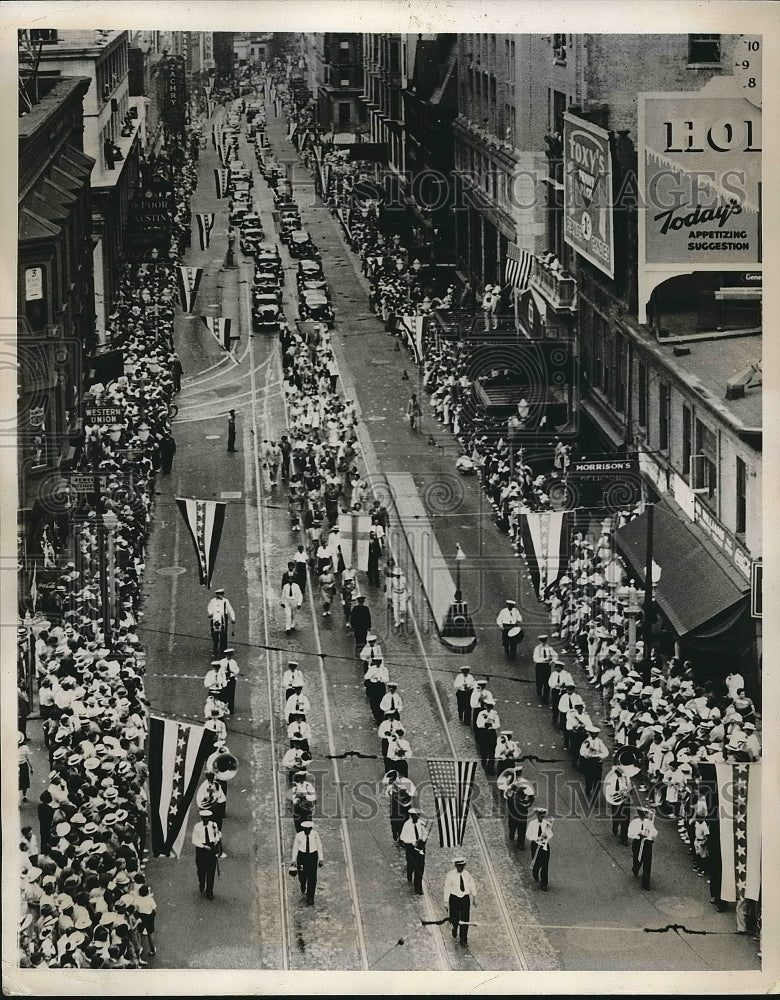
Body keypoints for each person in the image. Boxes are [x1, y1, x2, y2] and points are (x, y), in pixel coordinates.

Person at [444, 856, 476, 946]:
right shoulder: (450, 875)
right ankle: (454, 927)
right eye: (459, 866)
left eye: (462, 866)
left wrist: (474, 896)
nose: (461, 868)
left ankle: (463, 939)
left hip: (465, 898)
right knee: (455, 917)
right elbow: (447, 888)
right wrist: (446, 901)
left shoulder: (467, 874)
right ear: (456, 865)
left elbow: (472, 884)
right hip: (454, 898)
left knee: (465, 919)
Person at [291, 819, 324, 904]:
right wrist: (293, 860)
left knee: (312, 878)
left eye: (309, 829)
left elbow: (319, 846)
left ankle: (310, 897)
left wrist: (321, 859)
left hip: (312, 857)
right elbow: (295, 848)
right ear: (303, 829)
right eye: (306, 829)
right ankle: (302, 883)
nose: (307, 830)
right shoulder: (299, 836)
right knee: (302, 874)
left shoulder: (315, 835)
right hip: (302, 857)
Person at [192, 808, 221, 900]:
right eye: (204, 818)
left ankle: (209, 891)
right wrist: (204, 847)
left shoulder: (213, 825)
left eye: (207, 818)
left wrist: (217, 840)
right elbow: (194, 840)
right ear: (201, 818)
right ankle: (201, 882)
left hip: (211, 849)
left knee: (211, 871)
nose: (206, 820)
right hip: (201, 849)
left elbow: (217, 835)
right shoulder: (197, 827)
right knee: (201, 870)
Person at [399, 806, 428, 894]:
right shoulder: (407, 825)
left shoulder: (421, 824)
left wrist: (422, 840)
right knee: (412, 865)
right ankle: (409, 871)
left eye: (417, 815)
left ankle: (418, 887)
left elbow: (425, 833)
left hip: (420, 849)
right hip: (411, 848)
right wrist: (412, 842)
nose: (416, 817)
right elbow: (402, 837)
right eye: (414, 816)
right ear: (411, 816)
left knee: (420, 868)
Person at [628, 806, 657, 890]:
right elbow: (629, 834)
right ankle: (635, 868)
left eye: (644, 814)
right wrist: (639, 833)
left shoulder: (649, 823)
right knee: (637, 859)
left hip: (647, 843)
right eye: (641, 814)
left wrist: (649, 833)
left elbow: (655, 832)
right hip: (637, 842)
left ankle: (646, 883)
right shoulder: (634, 822)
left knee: (647, 864)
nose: (643, 816)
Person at [603, 763, 632, 845]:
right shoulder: (612, 777)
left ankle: (624, 838)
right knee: (617, 815)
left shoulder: (626, 774)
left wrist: (628, 790)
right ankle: (615, 825)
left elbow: (629, 784)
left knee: (626, 818)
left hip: (625, 798)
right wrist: (617, 793)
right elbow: (609, 789)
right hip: (616, 799)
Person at [579, 726, 610, 797]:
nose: (594, 735)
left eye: (595, 734)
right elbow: (582, 752)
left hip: (597, 763)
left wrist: (600, 756)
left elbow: (606, 752)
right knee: (588, 778)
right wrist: (588, 753)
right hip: (589, 762)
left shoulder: (599, 742)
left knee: (597, 780)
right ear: (589, 733)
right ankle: (588, 788)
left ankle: (595, 796)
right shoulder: (586, 741)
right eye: (592, 733)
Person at [528, 807, 553, 890]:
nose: (541, 817)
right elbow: (528, 835)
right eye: (540, 815)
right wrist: (536, 838)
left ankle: (544, 883)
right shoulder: (532, 823)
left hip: (544, 846)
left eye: (543, 816)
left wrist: (546, 836)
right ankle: (535, 872)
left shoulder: (547, 823)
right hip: (535, 845)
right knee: (536, 863)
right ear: (537, 815)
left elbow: (550, 833)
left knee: (545, 864)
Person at [207, 588, 236, 656]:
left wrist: (233, 618)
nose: (220, 595)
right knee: (214, 634)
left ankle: (223, 650)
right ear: (217, 594)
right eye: (219, 594)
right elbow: (209, 607)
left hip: (223, 618)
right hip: (214, 619)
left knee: (223, 635)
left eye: (221, 594)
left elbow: (230, 609)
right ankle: (215, 647)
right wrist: (210, 613)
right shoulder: (212, 601)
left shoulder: (226, 601)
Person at [532, 634, 556, 703]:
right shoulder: (537, 648)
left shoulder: (549, 648)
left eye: (544, 640)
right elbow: (535, 659)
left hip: (547, 667)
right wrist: (544, 660)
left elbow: (555, 656)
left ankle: (545, 697)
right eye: (542, 641)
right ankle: (539, 689)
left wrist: (552, 661)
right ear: (540, 641)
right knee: (539, 681)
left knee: (547, 682)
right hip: (540, 666)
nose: (543, 642)